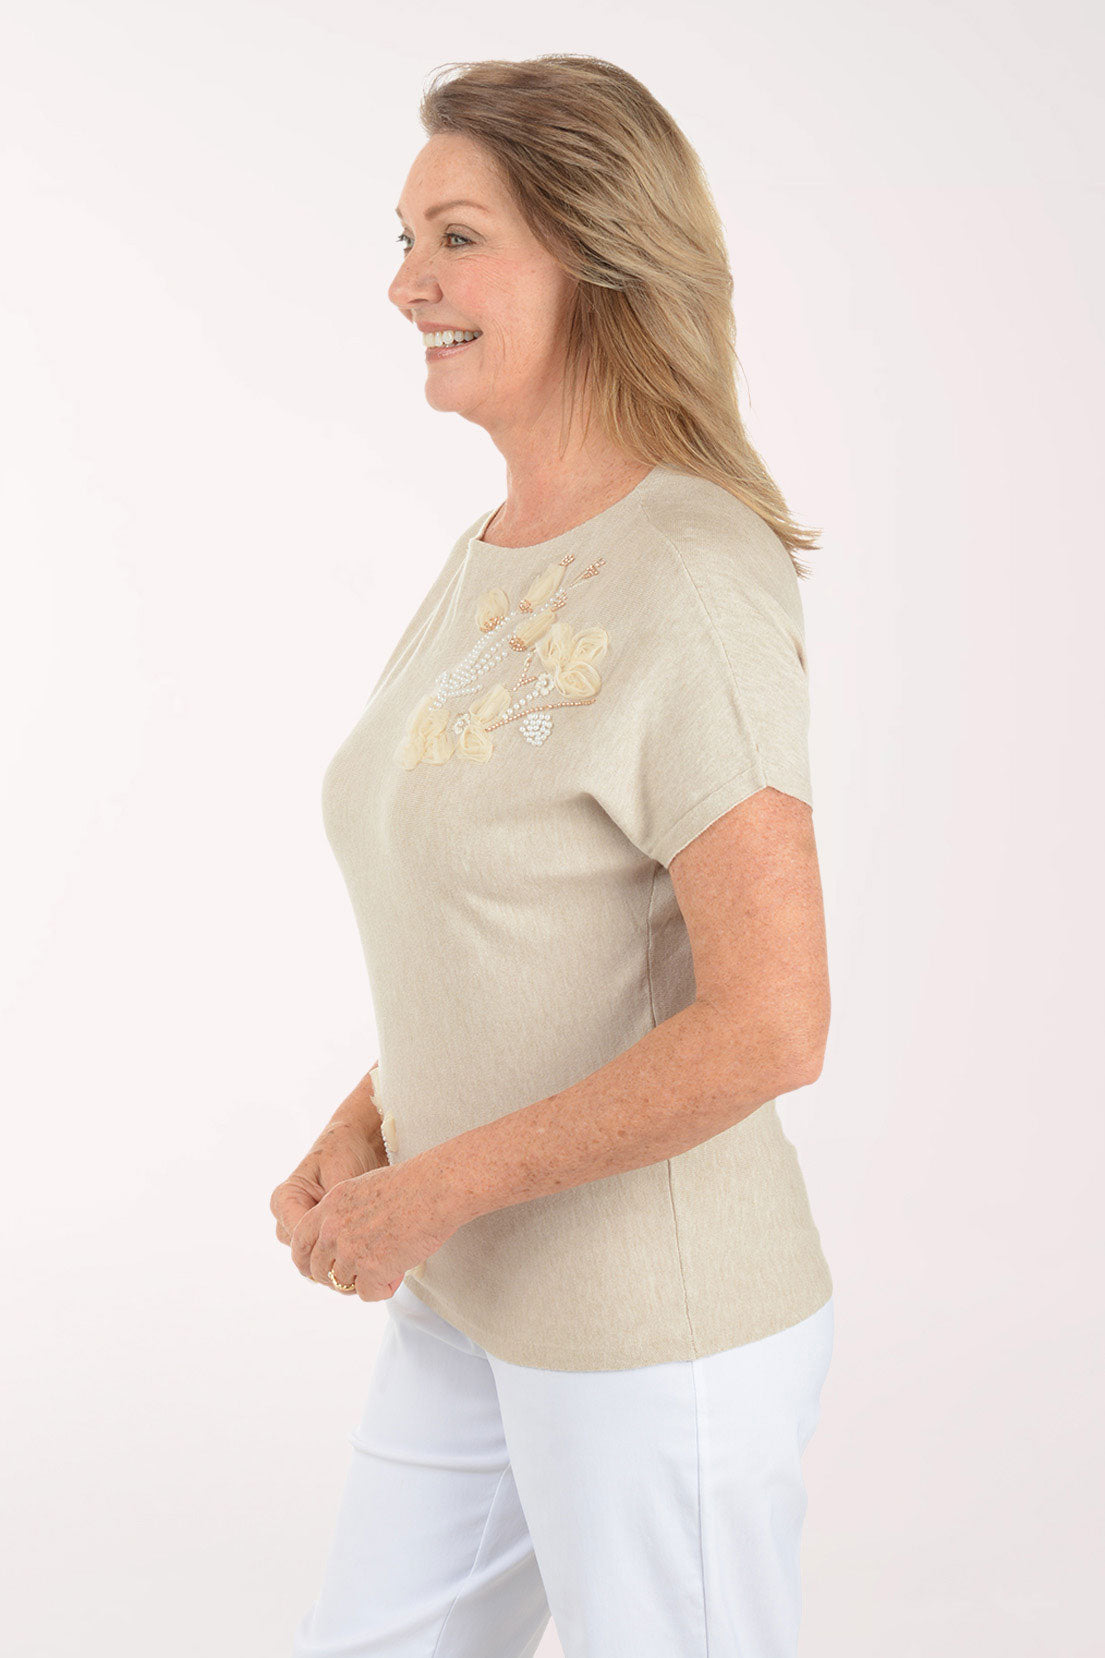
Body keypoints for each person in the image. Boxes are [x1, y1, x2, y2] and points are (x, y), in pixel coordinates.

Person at [270, 53, 835, 1658]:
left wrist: (427, 1188)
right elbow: (513, 926)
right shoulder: (497, 553)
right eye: (400, 239)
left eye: (455, 237)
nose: (404, 285)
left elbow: (773, 1021)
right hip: (473, 1289)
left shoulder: (693, 571)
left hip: (657, 1331)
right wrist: (365, 1126)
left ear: (592, 251)